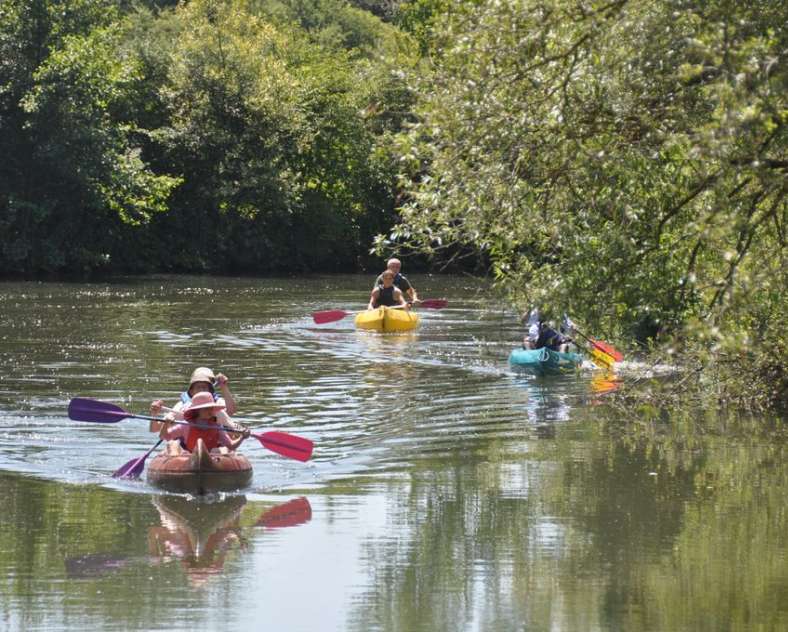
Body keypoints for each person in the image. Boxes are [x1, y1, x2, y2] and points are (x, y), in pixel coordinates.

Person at [149, 367, 239, 433]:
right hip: (187, 445)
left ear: (210, 390)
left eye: (204, 387)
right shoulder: (182, 407)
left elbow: (231, 411)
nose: (201, 391)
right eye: (198, 387)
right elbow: (154, 429)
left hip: (214, 444)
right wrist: (154, 414)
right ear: (191, 391)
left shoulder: (217, 406)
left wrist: (224, 386)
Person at [157, 391, 250, 455]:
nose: (210, 411)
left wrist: (242, 437)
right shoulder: (186, 425)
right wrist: (166, 423)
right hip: (190, 455)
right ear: (197, 411)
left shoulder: (216, 427)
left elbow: (231, 445)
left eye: (211, 408)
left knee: (219, 450)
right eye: (206, 408)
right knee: (173, 444)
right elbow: (163, 436)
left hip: (211, 457)